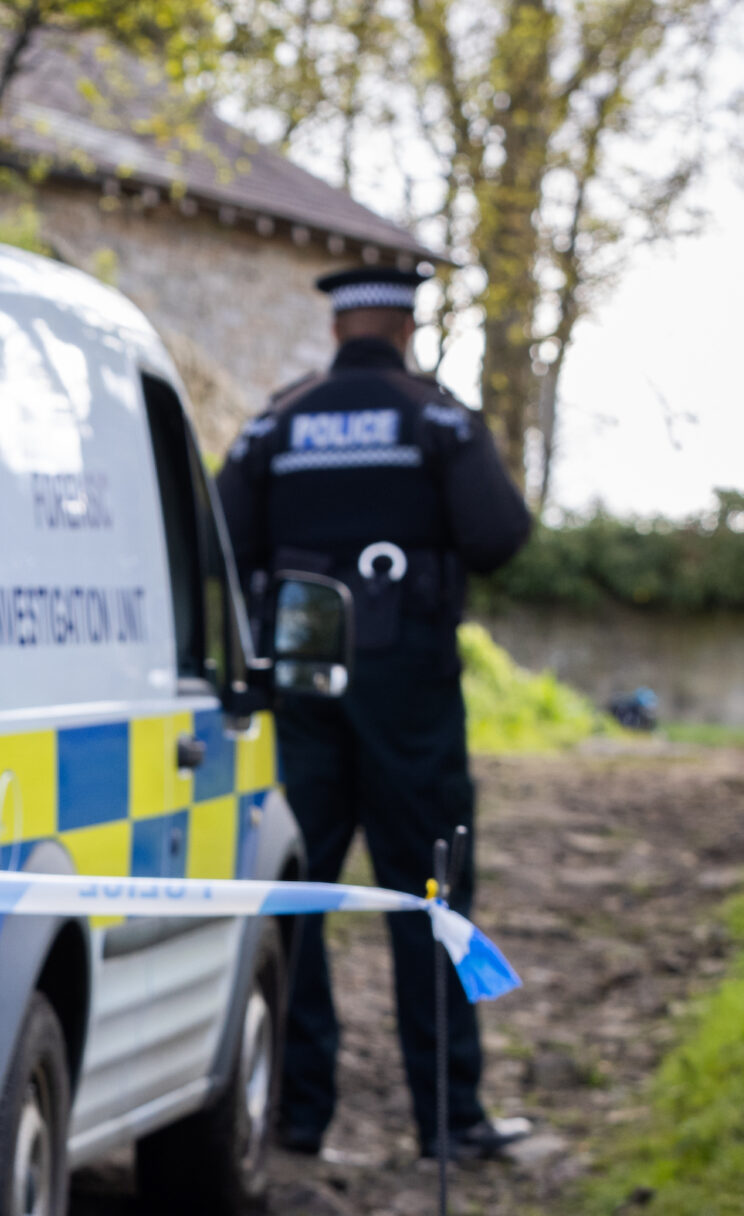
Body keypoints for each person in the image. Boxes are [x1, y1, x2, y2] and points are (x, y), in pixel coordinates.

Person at [216, 264, 536, 1161]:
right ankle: (449, 1120)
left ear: (336, 327)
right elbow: (501, 536)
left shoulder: (275, 423)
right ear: (405, 326)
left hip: (304, 688)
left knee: (297, 891)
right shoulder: (435, 417)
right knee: (432, 892)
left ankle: (295, 1114)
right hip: (411, 693)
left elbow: (220, 538)